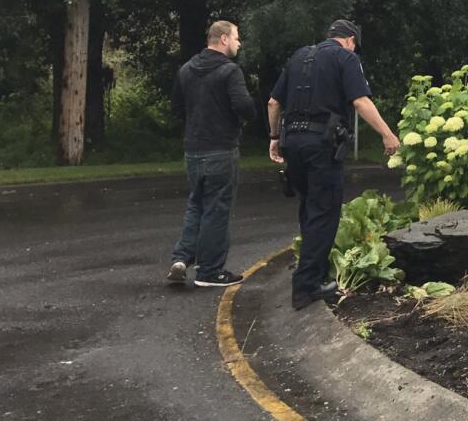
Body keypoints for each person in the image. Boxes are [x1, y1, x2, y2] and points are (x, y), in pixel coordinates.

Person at [267, 19, 400, 309]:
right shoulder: (345, 57)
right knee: (324, 213)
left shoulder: (300, 55)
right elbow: (360, 102)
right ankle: (306, 287)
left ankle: (314, 272)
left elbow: (273, 103)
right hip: (321, 146)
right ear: (351, 40)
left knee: (308, 209)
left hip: (293, 143)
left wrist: (275, 137)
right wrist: (387, 134)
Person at [168, 20, 256, 287]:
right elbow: (244, 105)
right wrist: (244, 117)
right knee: (217, 209)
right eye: (237, 38)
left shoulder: (186, 70)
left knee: (197, 203)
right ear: (224, 39)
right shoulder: (230, 71)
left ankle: (182, 257)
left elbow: (175, 108)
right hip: (221, 148)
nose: (239, 43)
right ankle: (210, 271)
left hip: (193, 149)